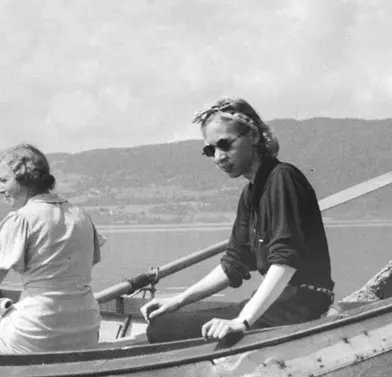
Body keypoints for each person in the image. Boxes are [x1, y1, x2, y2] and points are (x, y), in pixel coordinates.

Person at [140, 97, 334, 343]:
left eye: (225, 145)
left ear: (253, 135)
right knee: (163, 321)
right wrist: (178, 300)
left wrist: (242, 321)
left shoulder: (283, 179)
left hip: (299, 306)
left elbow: (286, 261)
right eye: (210, 151)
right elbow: (234, 263)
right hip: (280, 304)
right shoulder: (251, 193)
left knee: (162, 329)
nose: (219, 157)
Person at [0, 143, 104, 354]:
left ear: (26, 179)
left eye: (4, 180)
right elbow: (59, 253)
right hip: (87, 329)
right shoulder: (79, 214)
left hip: (39, 331)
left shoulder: (20, 219)